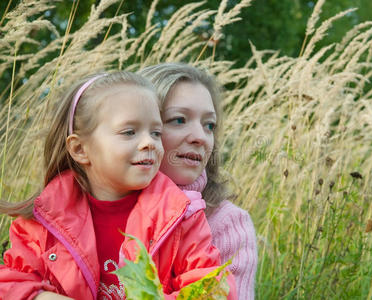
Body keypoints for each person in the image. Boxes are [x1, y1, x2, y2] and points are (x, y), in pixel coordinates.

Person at [0, 71, 236, 300]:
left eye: (156, 132)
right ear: (80, 149)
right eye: (129, 132)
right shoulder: (44, 218)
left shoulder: (180, 215)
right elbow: (12, 282)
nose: (149, 143)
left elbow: (212, 289)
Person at [139, 63, 258, 300]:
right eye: (179, 120)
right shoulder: (97, 205)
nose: (200, 138)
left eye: (209, 125)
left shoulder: (227, 224)